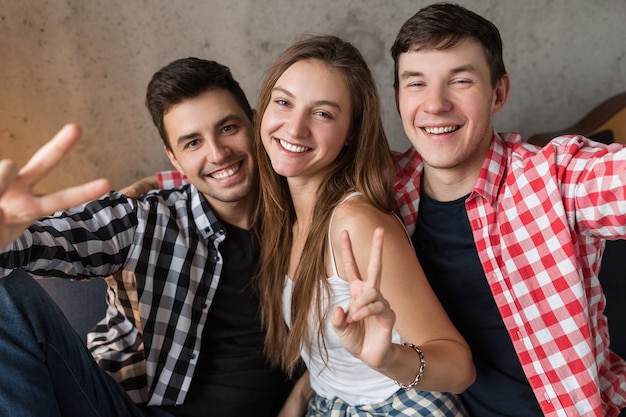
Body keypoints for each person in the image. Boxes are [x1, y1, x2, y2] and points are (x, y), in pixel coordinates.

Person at [0, 57, 301, 417]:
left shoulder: (308, 217)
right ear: (174, 159)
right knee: (5, 294)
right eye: (192, 143)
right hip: (123, 410)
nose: (218, 153)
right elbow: (42, 242)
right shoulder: (144, 219)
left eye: (228, 128)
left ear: (256, 123)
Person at [390, 3, 626, 417]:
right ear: (397, 97)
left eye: (459, 80)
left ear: (498, 93)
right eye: (416, 83)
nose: (435, 104)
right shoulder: (387, 191)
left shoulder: (552, 178)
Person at [255, 34, 474, 416]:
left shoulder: (355, 223)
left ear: (351, 132)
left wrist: (387, 357)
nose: (294, 128)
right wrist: (299, 398)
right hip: (330, 404)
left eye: (322, 113)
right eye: (284, 102)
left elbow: (459, 369)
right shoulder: (282, 214)